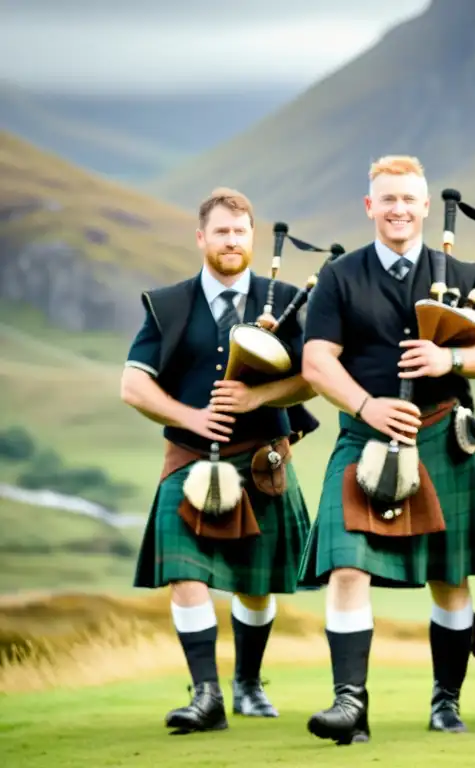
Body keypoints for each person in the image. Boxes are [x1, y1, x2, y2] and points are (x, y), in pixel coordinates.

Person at [298, 155, 475, 745]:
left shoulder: (463, 274)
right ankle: (350, 704)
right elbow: (316, 362)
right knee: (346, 566)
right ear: (371, 207)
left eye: (407, 199)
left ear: (423, 207)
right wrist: (367, 407)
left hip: (443, 434)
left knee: (451, 575)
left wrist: (451, 360)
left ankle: (446, 700)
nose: (397, 209)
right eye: (386, 199)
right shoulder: (340, 277)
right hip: (363, 436)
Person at [120, 187, 318, 734]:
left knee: (256, 586)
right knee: (186, 573)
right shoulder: (170, 304)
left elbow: (313, 378)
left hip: (263, 461)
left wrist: (258, 398)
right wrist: (190, 416)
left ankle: (248, 683)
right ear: (202, 238)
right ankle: (205, 695)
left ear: (251, 238)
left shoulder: (284, 300)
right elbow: (133, 385)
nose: (232, 241)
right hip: (188, 460)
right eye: (222, 232)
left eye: (240, 232)